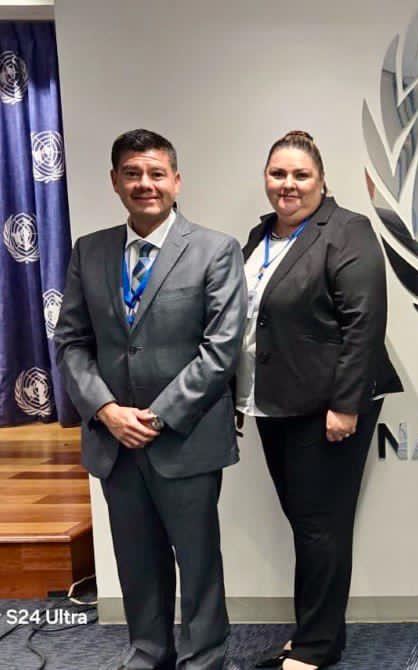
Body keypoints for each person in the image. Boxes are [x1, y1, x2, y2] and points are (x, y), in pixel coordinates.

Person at [54, 129, 247, 670]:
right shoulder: (89, 251)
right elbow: (72, 341)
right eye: (132, 173)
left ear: (176, 181)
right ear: (115, 181)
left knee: (199, 562)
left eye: (156, 173)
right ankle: (148, 653)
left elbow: (221, 349)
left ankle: (204, 659)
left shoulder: (215, 250)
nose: (145, 184)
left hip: (185, 439)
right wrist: (106, 411)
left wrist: (157, 417)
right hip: (114, 441)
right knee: (136, 561)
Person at [239, 131, 401, 670]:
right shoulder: (260, 236)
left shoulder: (347, 231)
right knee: (306, 525)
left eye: (300, 175)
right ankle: (315, 633)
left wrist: (346, 405)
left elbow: (364, 323)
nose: (288, 184)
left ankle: (315, 648)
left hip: (327, 405)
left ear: (322, 181)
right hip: (272, 403)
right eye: (278, 174)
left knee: (320, 527)